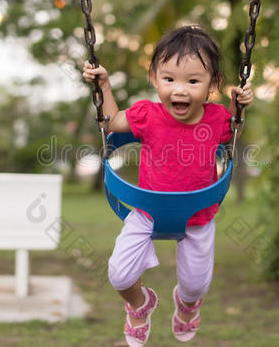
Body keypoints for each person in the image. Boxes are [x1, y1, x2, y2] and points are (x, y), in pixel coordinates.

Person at [82, 25, 254, 346]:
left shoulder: (217, 118)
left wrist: (239, 107)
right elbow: (113, 122)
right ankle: (139, 304)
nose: (180, 90)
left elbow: (232, 139)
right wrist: (103, 85)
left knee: (195, 287)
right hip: (147, 212)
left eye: (193, 80)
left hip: (197, 217)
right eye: (169, 79)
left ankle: (187, 308)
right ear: (155, 78)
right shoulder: (148, 115)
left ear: (212, 84)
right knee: (119, 274)